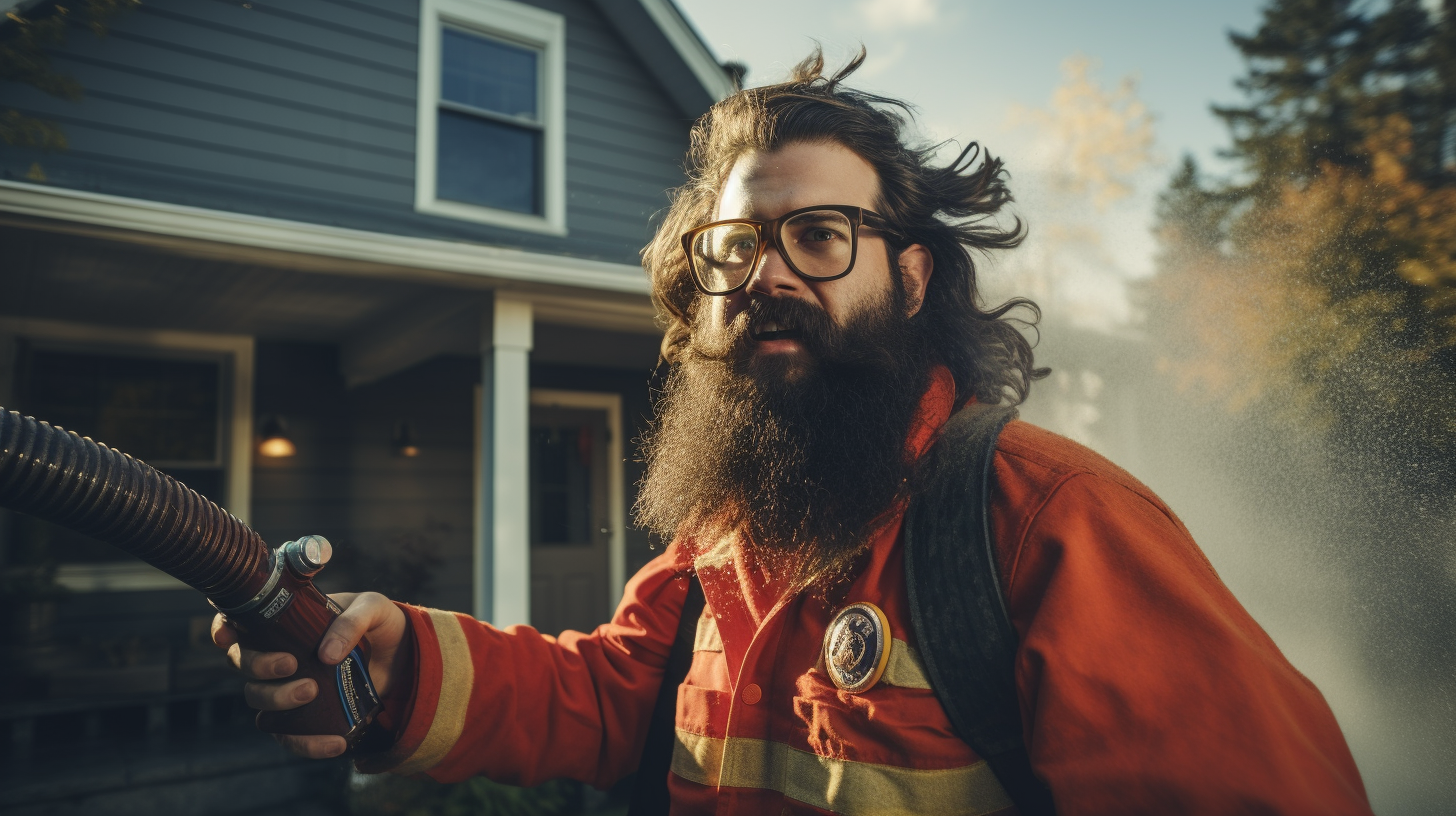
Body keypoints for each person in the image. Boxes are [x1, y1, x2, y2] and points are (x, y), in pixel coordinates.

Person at [213, 52, 1374, 816]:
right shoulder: (724, 534)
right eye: (735, 246)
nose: (765, 273)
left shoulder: (1052, 527)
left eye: (820, 235)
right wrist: (401, 658)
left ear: (911, 278)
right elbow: (616, 698)